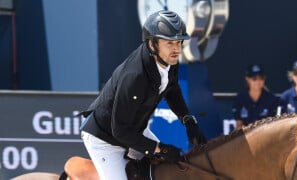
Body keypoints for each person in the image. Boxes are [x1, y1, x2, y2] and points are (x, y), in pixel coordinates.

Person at [79, 10, 207, 180]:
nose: (176, 49)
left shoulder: (168, 59)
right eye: (169, 43)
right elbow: (120, 131)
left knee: (168, 170)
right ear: (152, 44)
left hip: (133, 128)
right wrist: (160, 149)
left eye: (179, 42)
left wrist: (188, 120)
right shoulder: (134, 77)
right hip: (105, 139)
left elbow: (173, 90)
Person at [232, 64, 279, 129]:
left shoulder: (272, 99)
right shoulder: (239, 99)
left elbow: (274, 126)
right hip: (245, 136)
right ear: (247, 79)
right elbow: (239, 125)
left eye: (261, 78)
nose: (258, 81)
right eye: (254, 79)